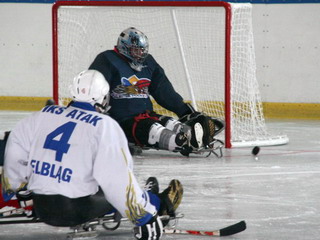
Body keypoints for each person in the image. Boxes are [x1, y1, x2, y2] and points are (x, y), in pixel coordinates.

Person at [1, 70, 183, 240]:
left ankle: (147, 194)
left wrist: (21, 193)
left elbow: (14, 151)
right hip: (78, 209)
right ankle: (158, 201)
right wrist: (144, 217)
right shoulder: (104, 126)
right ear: (103, 98)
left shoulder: (41, 115)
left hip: (42, 207)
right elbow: (117, 182)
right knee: (116, 186)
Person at [89, 27, 224, 156]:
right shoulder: (107, 60)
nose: (140, 54)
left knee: (175, 125)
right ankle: (183, 143)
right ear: (124, 47)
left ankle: (192, 137)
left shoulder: (149, 62)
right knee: (156, 132)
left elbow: (163, 90)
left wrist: (185, 111)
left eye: (142, 50)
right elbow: (92, 89)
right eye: (136, 50)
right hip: (121, 121)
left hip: (147, 115)